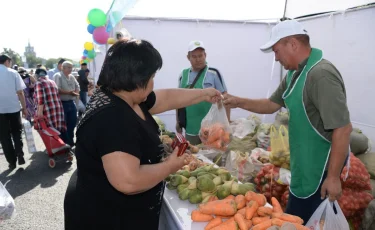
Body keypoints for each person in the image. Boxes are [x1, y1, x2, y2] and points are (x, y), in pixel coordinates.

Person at [63, 39, 222, 230]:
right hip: (105, 217)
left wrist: (203, 94)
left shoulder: (123, 95)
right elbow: (129, 181)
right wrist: (170, 165)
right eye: (152, 76)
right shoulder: (113, 116)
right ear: (137, 79)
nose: (153, 83)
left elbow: (166, 98)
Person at [223, 19, 352, 224]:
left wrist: (334, 177)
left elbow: (343, 128)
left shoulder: (320, 75)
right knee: (294, 220)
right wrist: (237, 101)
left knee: (302, 222)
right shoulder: (294, 73)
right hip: (303, 165)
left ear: (293, 44)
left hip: (321, 170)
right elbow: (271, 104)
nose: (276, 58)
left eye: (276, 51)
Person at [176, 40, 230, 145]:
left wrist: (226, 124)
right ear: (188, 57)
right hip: (191, 127)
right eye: (194, 56)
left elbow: (226, 98)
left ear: (205, 55)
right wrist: (178, 121)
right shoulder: (183, 75)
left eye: (200, 56)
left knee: (212, 156)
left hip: (212, 128)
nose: (198, 59)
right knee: (193, 156)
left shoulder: (213, 73)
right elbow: (178, 100)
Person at [0, 54, 27, 169]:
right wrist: (25, 108)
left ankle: (11, 161)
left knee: (4, 136)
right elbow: (20, 92)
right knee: (16, 132)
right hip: (14, 108)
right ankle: (19, 153)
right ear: (7, 61)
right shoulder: (13, 73)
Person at [34, 67, 68, 142]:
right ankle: (62, 144)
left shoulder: (39, 83)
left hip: (47, 110)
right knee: (57, 127)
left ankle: (55, 146)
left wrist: (39, 113)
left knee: (49, 130)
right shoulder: (52, 81)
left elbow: (41, 99)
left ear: (36, 75)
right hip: (57, 108)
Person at [55, 61, 80, 147]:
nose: (70, 69)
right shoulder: (58, 76)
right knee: (63, 124)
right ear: (63, 67)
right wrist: (69, 93)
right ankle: (64, 143)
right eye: (68, 67)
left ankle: (70, 141)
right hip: (62, 103)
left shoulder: (72, 76)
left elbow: (77, 86)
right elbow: (57, 89)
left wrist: (75, 93)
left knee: (72, 122)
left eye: (71, 67)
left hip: (71, 102)